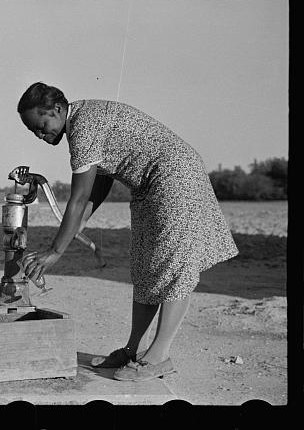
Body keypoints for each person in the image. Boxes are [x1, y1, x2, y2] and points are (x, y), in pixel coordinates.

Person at [17, 82, 238, 382]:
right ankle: (134, 350)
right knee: (146, 267)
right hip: (151, 184)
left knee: (174, 265)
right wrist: (80, 224)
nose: (42, 136)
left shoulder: (83, 128)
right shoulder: (82, 120)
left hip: (174, 177)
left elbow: (79, 196)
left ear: (57, 109)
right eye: (35, 133)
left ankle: (158, 357)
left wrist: (56, 251)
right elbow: (103, 179)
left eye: (42, 126)